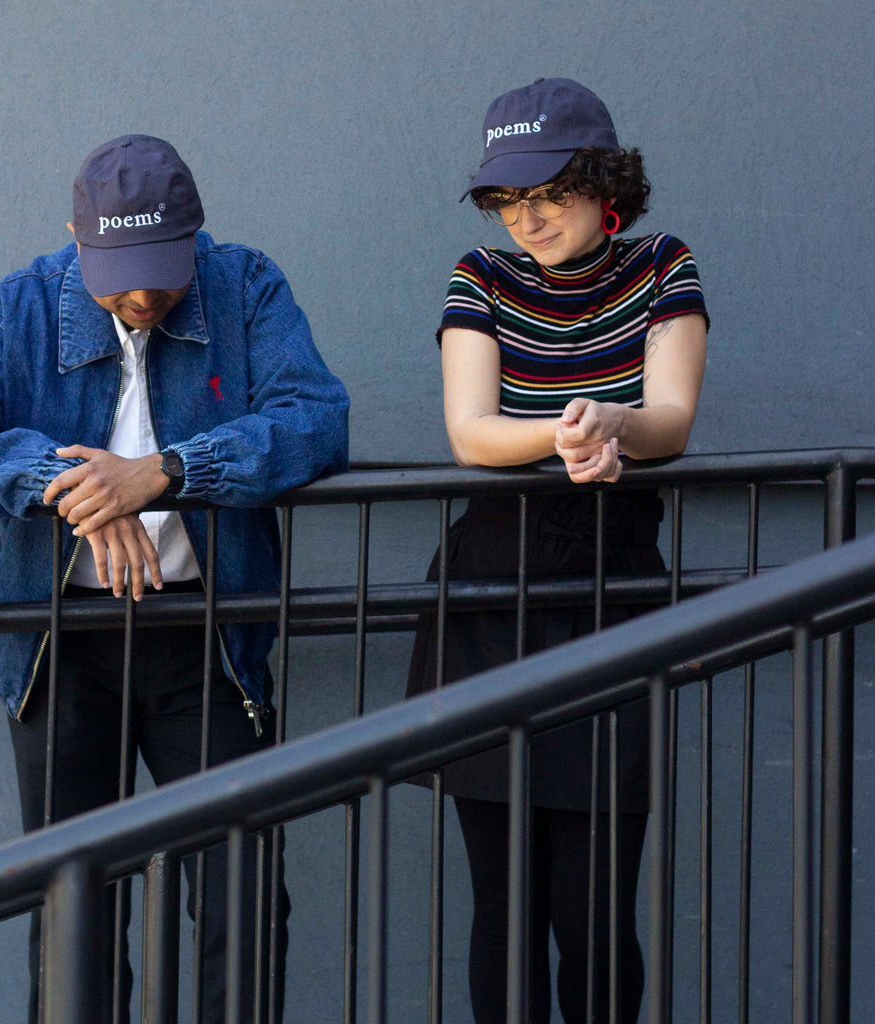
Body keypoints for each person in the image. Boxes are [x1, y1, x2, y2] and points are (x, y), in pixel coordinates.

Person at [0, 134, 349, 1024]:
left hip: (208, 635)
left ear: (196, 236)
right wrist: (71, 488)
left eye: (163, 272)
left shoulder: (246, 287)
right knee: (76, 910)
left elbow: (317, 420)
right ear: (77, 237)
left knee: (243, 895)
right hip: (59, 643)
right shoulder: (18, 307)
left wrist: (165, 473)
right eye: (119, 277)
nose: (141, 296)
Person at [406, 79, 708, 1023]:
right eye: (506, 199)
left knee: (595, 910)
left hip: (611, 587)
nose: (526, 218)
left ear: (605, 181)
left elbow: (672, 419)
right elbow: (471, 433)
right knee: (504, 907)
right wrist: (570, 432)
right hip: (490, 590)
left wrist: (615, 421)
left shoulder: (662, 263)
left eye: (549, 193)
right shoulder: (481, 276)